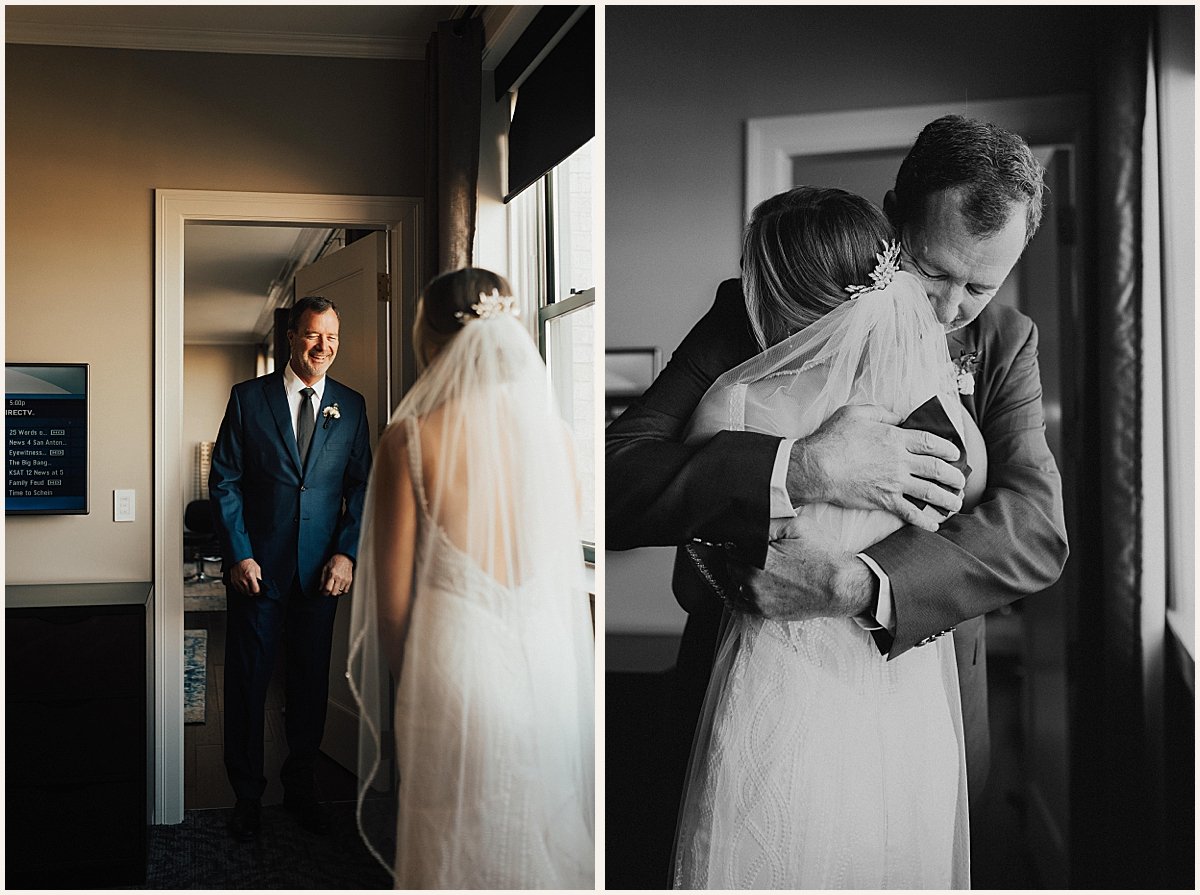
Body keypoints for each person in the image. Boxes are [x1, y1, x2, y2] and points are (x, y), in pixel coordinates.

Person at [606, 115, 1068, 878]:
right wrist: (804, 467)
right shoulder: (762, 304)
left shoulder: (1005, 343)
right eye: (933, 271)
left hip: (924, 705)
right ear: (894, 219)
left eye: (980, 286)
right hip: (754, 691)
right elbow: (619, 476)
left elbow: (1034, 527)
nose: (952, 308)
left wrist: (858, 584)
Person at [674, 187, 982, 887]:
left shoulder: (736, 402)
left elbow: (691, 563)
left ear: (768, 294)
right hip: (905, 697)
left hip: (781, 694)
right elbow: (970, 502)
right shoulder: (931, 405)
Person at [347, 268, 595, 888]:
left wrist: (410, 695)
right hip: (546, 659)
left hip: (455, 664)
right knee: (537, 828)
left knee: (449, 839)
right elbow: (562, 566)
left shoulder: (408, 440)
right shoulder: (559, 441)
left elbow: (393, 607)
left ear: (430, 341)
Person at [210, 295, 372, 842]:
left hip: (320, 576)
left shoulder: (351, 406)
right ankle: (247, 799)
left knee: (308, 687)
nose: (323, 347)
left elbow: (362, 487)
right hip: (256, 574)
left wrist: (347, 553)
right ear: (291, 338)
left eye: (332, 337)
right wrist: (239, 553)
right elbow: (225, 481)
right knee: (248, 687)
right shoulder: (248, 399)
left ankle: (300, 790)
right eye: (312, 335)